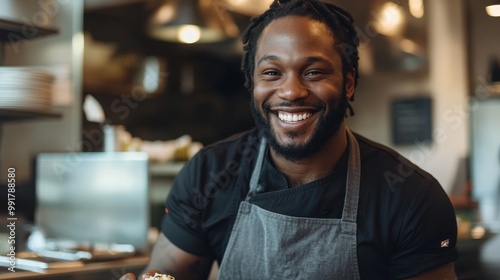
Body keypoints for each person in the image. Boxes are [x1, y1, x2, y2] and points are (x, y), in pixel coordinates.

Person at [121, 0, 458, 279]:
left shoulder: (409, 197)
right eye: (271, 73)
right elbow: (166, 273)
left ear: (349, 83)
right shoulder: (209, 174)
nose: (291, 92)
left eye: (313, 72)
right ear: (252, 82)